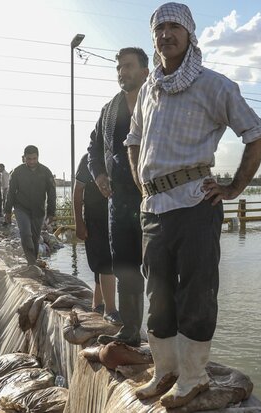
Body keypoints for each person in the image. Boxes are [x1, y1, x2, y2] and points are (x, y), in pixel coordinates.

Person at [125, 3, 261, 408]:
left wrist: (234, 187)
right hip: (154, 208)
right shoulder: (149, 90)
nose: (166, 34)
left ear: (189, 34)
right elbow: (133, 139)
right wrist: (141, 184)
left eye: (175, 27)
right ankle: (165, 371)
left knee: (196, 294)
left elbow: (256, 133)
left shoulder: (213, 85)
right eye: (159, 28)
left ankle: (193, 377)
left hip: (194, 203)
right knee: (158, 295)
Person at [87, 47, 149, 347]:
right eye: (119, 68)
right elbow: (94, 149)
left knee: (160, 267)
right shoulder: (109, 109)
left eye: (128, 66)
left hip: (155, 198)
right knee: (124, 265)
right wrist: (99, 175)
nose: (122, 72)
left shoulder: (160, 101)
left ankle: (166, 336)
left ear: (145, 71)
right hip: (118, 202)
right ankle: (130, 329)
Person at [74, 153, 121, 325]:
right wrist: (79, 222)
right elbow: (78, 191)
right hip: (95, 218)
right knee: (104, 261)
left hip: (116, 215)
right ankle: (111, 309)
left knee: (110, 261)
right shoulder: (88, 159)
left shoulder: (119, 156)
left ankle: (97, 302)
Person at [4, 145, 56, 266]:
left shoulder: (45, 172)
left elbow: (51, 193)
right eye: (29, 159)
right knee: (26, 234)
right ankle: (31, 263)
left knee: (35, 238)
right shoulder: (17, 172)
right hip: (21, 208)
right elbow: (10, 192)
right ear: (24, 158)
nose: (31, 161)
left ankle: (33, 262)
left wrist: (51, 213)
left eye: (34, 158)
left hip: (38, 210)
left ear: (38, 157)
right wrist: (7, 210)